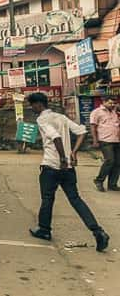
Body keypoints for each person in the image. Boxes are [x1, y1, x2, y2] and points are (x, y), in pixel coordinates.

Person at [27, 93, 110, 252]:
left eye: (33, 105)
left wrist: (63, 158)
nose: (32, 108)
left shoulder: (42, 119)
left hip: (52, 165)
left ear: (38, 104)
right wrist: (73, 152)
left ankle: (44, 229)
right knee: (75, 199)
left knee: (47, 198)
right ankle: (97, 231)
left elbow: (56, 137)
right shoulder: (61, 117)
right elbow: (81, 132)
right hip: (68, 169)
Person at [90, 96, 120, 191]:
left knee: (118, 163)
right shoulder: (96, 112)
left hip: (117, 140)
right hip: (105, 141)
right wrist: (95, 140)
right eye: (110, 103)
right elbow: (93, 127)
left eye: (114, 103)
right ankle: (99, 180)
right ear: (104, 102)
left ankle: (112, 184)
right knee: (109, 160)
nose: (112, 105)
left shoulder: (115, 112)